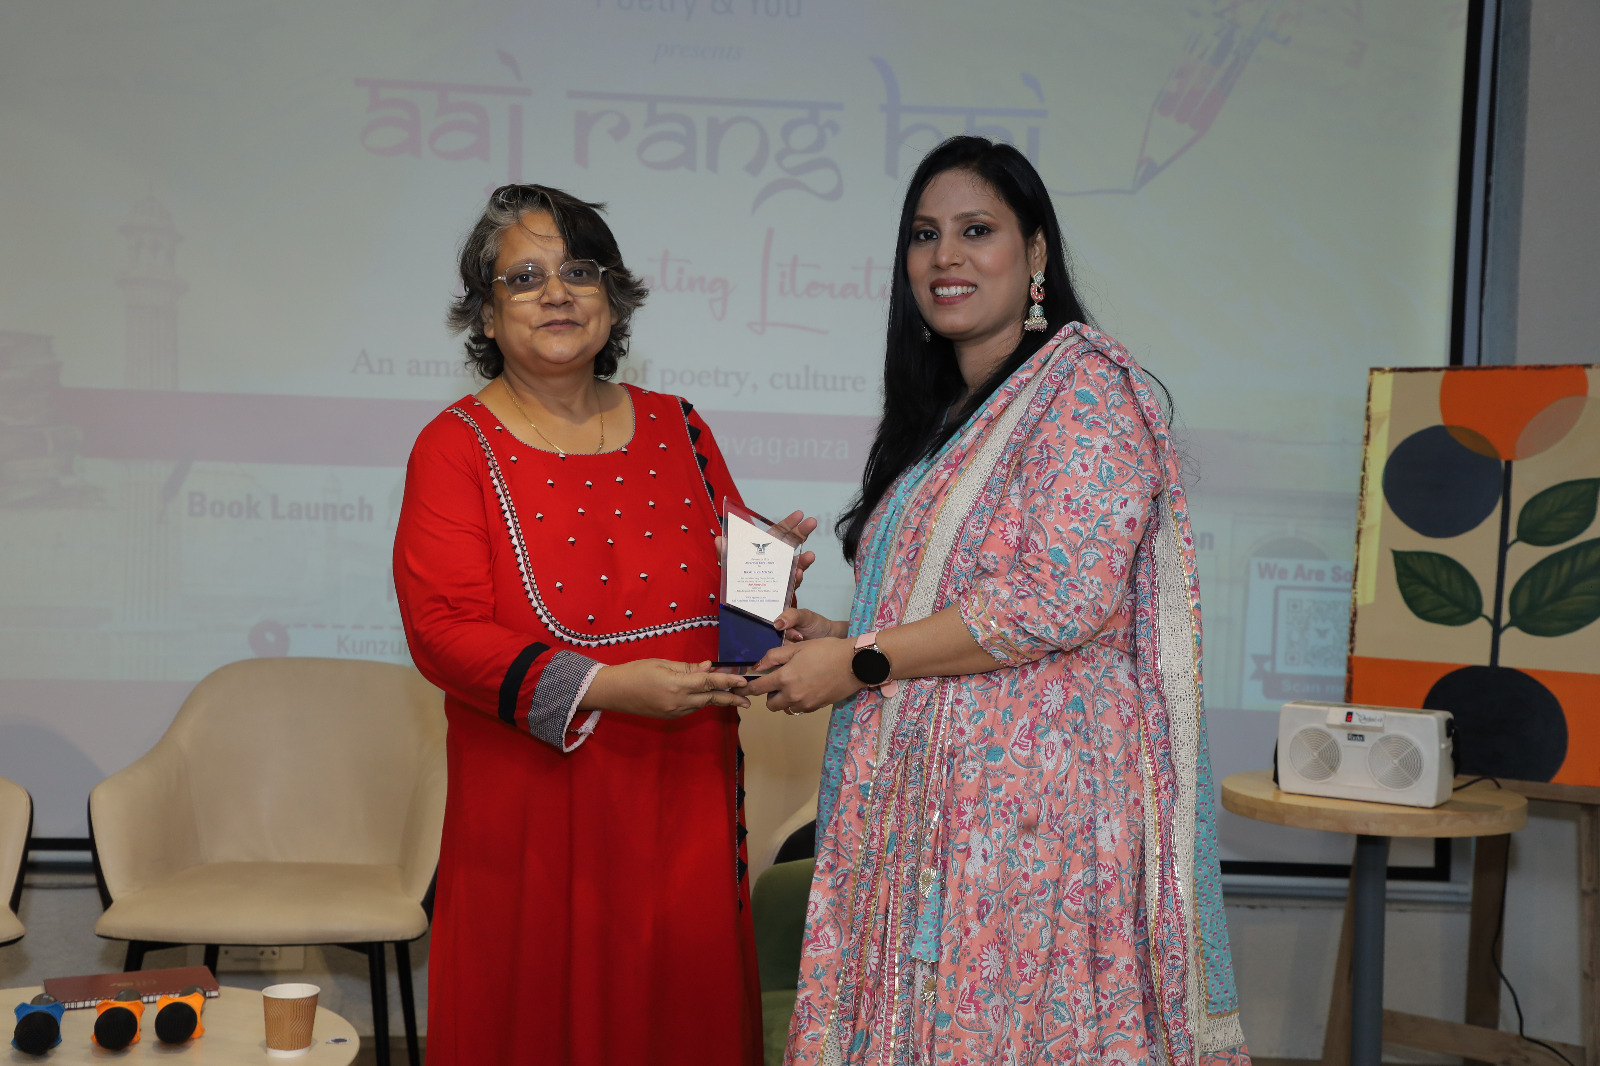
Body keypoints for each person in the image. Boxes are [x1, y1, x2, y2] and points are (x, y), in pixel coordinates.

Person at [746, 137, 1251, 1065]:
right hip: (932, 807)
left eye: (977, 230)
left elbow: (1059, 599)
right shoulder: (946, 414)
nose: (947, 256)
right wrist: (840, 634)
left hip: (1026, 820)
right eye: (925, 234)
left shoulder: (1087, 388)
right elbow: (958, 606)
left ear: (1037, 252)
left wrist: (859, 660)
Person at [394, 184, 811, 1065]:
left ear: (613, 299)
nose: (557, 293)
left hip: (683, 787)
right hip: (534, 804)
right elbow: (443, 629)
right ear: (485, 315)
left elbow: (731, 608)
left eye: (580, 271)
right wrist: (604, 688)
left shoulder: (680, 426)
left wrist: (767, 591)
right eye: (525, 278)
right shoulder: (455, 445)